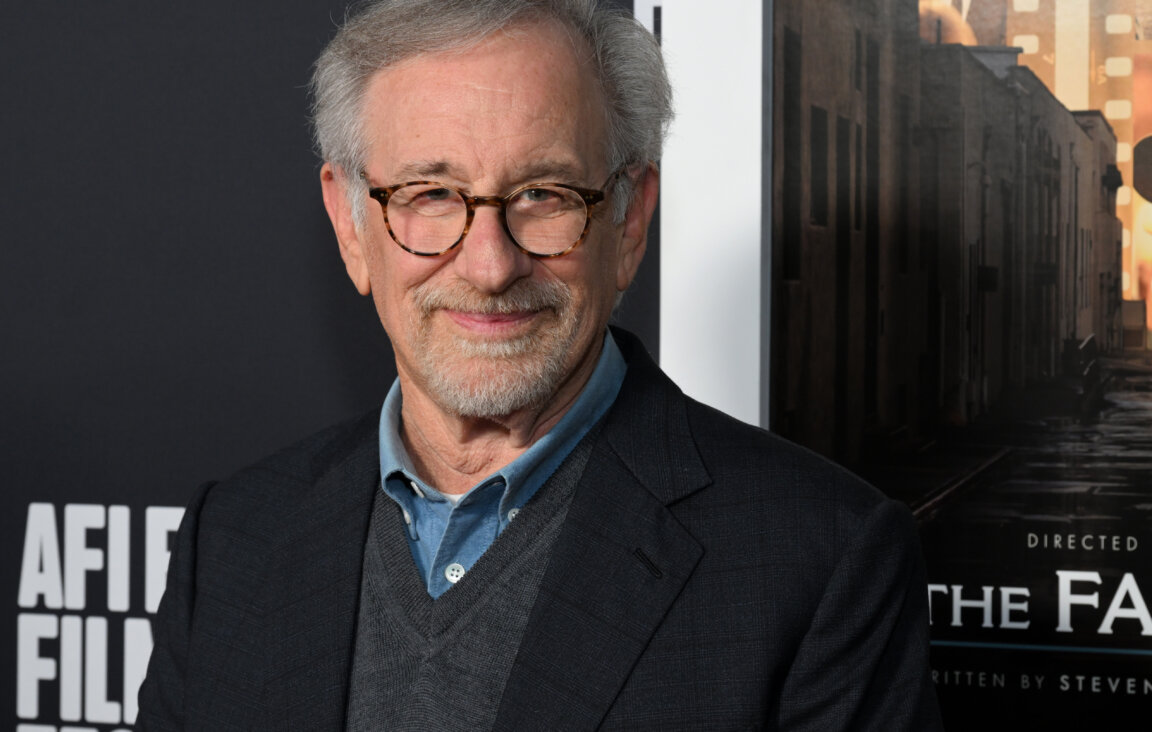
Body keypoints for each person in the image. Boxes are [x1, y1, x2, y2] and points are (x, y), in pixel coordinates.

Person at [136, 0, 943, 729]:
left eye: (544, 194)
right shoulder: (235, 538)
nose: (490, 266)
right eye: (430, 194)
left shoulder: (818, 560)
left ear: (629, 221)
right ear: (351, 228)